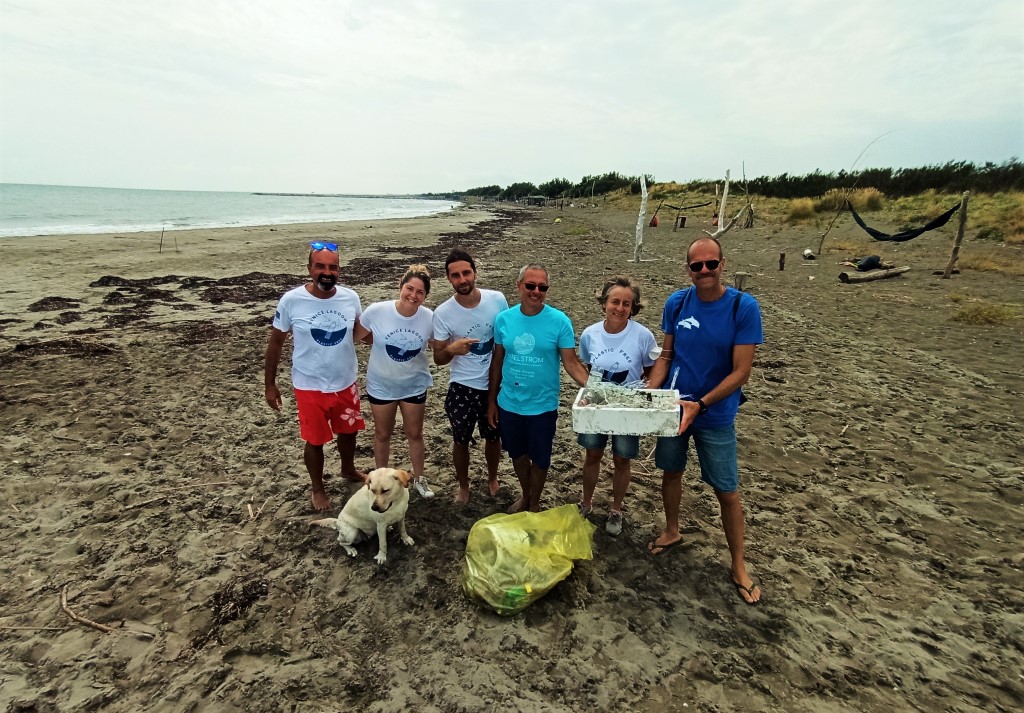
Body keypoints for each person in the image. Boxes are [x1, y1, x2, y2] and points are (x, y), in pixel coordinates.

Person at [646, 237, 764, 605]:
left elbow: (741, 371)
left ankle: (739, 565)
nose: (704, 272)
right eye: (696, 266)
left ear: (722, 264)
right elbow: (666, 356)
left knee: (726, 488)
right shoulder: (677, 303)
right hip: (675, 407)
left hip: (716, 413)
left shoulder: (742, 307)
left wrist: (701, 403)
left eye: (710, 264)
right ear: (688, 269)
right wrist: (649, 392)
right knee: (670, 470)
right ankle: (672, 530)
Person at [265, 241, 366, 512]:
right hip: (309, 384)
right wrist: (270, 385)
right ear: (310, 269)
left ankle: (348, 469)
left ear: (339, 271)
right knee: (315, 439)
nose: (327, 272)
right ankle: (317, 488)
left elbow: (361, 333)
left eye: (332, 267)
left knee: (349, 431)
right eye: (320, 266)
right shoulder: (292, 300)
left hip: (345, 380)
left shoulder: (350, 298)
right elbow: (275, 343)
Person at [487, 263, 590, 513]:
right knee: (518, 455)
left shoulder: (559, 321)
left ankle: (535, 503)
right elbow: (497, 362)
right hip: (509, 402)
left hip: (542, 405)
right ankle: (526, 495)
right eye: (530, 285)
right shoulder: (503, 320)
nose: (536, 291)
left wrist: (595, 387)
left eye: (542, 287)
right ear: (519, 285)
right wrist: (491, 402)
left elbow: (571, 363)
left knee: (541, 460)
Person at [576, 277, 658, 536]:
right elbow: (588, 367)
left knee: (622, 459)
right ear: (604, 304)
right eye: (614, 302)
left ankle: (616, 509)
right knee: (592, 454)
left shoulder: (643, 336)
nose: (619, 308)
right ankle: (586, 502)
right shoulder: (590, 334)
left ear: (633, 307)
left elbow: (650, 370)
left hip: (627, 408)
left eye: (626, 303)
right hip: (597, 404)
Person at [431, 249, 509, 504]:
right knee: (460, 439)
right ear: (449, 279)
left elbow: (506, 339)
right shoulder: (443, 313)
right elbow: (438, 358)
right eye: (456, 275)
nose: (462, 279)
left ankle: (492, 477)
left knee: (493, 436)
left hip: (494, 384)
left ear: (475, 272)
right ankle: (463, 485)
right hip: (462, 386)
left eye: (466, 272)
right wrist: (451, 349)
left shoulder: (496, 300)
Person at [354, 265, 435, 498]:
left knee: (415, 434)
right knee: (382, 434)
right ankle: (379, 480)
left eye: (420, 292)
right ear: (401, 287)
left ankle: (419, 479)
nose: (413, 295)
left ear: (425, 296)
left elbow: (438, 347)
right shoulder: (377, 311)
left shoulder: (429, 318)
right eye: (409, 288)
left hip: (414, 385)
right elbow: (355, 337)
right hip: (382, 385)